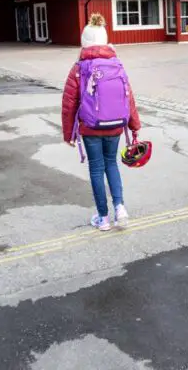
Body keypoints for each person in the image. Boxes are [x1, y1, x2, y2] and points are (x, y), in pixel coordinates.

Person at [62, 13, 141, 231]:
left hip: (90, 127)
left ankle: (103, 218)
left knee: (96, 169)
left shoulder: (79, 68)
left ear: (84, 42)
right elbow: (128, 96)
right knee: (112, 164)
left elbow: (69, 102)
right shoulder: (117, 65)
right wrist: (134, 126)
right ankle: (120, 208)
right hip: (115, 125)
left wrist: (68, 134)